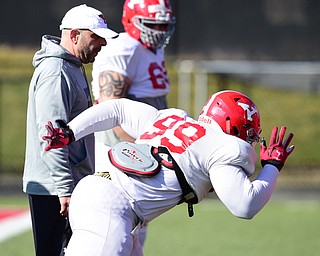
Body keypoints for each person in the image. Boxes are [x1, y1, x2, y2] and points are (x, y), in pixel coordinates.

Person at [42, 90, 295, 256]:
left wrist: (70, 131)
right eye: (249, 134)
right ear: (234, 127)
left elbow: (116, 109)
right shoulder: (223, 147)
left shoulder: (171, 118)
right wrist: (272, 166)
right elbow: (245, 206)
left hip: (94, 191)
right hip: (113, 207)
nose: (249, 142)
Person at [22, 4, 118, 256]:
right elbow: (50, 134)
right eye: (95, 37)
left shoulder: (71, 67)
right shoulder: (56, 71)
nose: (102, 44)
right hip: (56, 189)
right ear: (74, 35)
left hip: (68, 185)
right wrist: (65, 188)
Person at [91, 0, 175, 174]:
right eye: (152, 25)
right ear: (132, 20)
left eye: (163, 25)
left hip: (149, 125)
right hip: (122, 137)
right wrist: (143, 146)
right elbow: (111, 108)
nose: (159, 32)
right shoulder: (123, 48)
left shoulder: (152, 47)